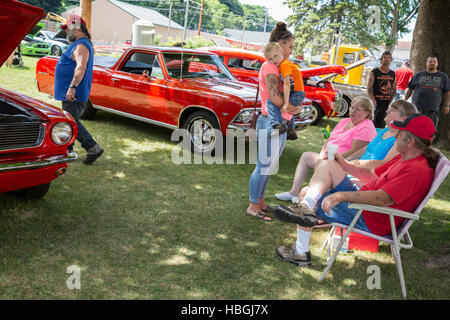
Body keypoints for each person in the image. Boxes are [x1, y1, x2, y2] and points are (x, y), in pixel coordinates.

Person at [273, 114, 438, 266]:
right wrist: (345, 165)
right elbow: (372, 175)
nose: (395, 136)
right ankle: (305, 208)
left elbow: (382, 199)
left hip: (370, 217)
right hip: (365, 208)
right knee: (328, 165)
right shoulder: (405, 158)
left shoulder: (416, 170)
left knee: (306, 194)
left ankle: (301, 251)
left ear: (410, 142)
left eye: (399, 135)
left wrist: (341, 195)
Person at [247, 22, 302, 222]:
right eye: (290, 47)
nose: (291, 51)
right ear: (280, 44)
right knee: (263, 165)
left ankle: (260, 202)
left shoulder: (280, 66)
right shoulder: (269, 66)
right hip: (269, 122)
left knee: (269, 166)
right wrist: (290, 106)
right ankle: (253, 205)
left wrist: (294, 106)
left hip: (280, 123)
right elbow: (275, 98)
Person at [275, 96, 377, 203]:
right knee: (306, 156)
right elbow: (329, 140)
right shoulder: (344, 121)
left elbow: (355, 152)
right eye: (352, 107)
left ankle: (309, 197)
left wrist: (334, 159)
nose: (353, 111)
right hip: (329, 157)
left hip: (343, 163)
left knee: (323, 165)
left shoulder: (366, 127)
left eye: (357, 109)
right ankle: (293, 193)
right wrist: (322, 154)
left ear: (367, 113)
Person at [54, 15, 104, 165]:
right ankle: (68, 150)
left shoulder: (82, 45)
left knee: (70, 122)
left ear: (76, 28)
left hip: (73, 93)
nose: (66, 32)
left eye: (68, 29)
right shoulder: (79, 43)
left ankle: (91, 147)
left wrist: (72, 88)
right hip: (71, 93)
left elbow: (80, 68)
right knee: (70, 121)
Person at [405, 56, 450, 128]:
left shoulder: (443, 76)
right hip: (417, 108)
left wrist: (447, 105)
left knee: (430, 130)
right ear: (426, 63)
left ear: (437, 64)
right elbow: (410, 89)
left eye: (434, 62)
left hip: (433, 109)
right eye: (430, 61)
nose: (432, 63)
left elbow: (447, 92)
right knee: (414, 128)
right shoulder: (418, 75)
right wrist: (405, 101)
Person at [367, 51, 396, 128]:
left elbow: (394, 89)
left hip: (386, 103)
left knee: (381, 125)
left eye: (389, 58)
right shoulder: (374, 72)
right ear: (381, 59)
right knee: (372, 123)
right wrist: (373, 100)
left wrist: (391, 100)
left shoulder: (392, 73)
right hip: (376, 103)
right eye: (385, 57)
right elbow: (369, 88)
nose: (387, 59)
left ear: (391, 60)